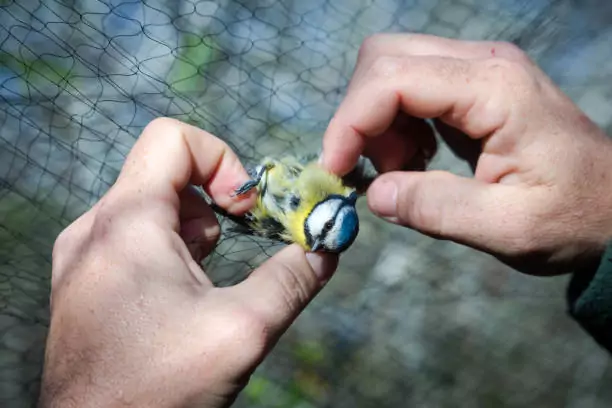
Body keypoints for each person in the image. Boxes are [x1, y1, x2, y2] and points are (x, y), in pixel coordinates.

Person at [39, 34, 612, 407]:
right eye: (319, 226)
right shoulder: (328, 188)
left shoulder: (312, 221)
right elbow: (289, 183)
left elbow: (282, 206)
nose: (311, 238)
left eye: (316, 234)